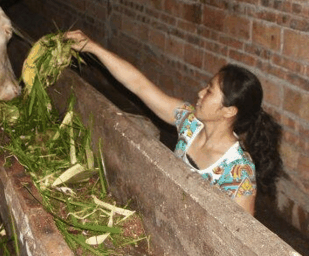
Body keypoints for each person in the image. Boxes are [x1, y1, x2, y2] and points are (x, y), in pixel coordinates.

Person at [65, 30, 283, 215]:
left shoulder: (238, 171)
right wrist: (93, 48)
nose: (200, 93)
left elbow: (242, 240)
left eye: (209, 92)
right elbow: (139, 85)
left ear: (228, 111)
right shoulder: (190, 123)